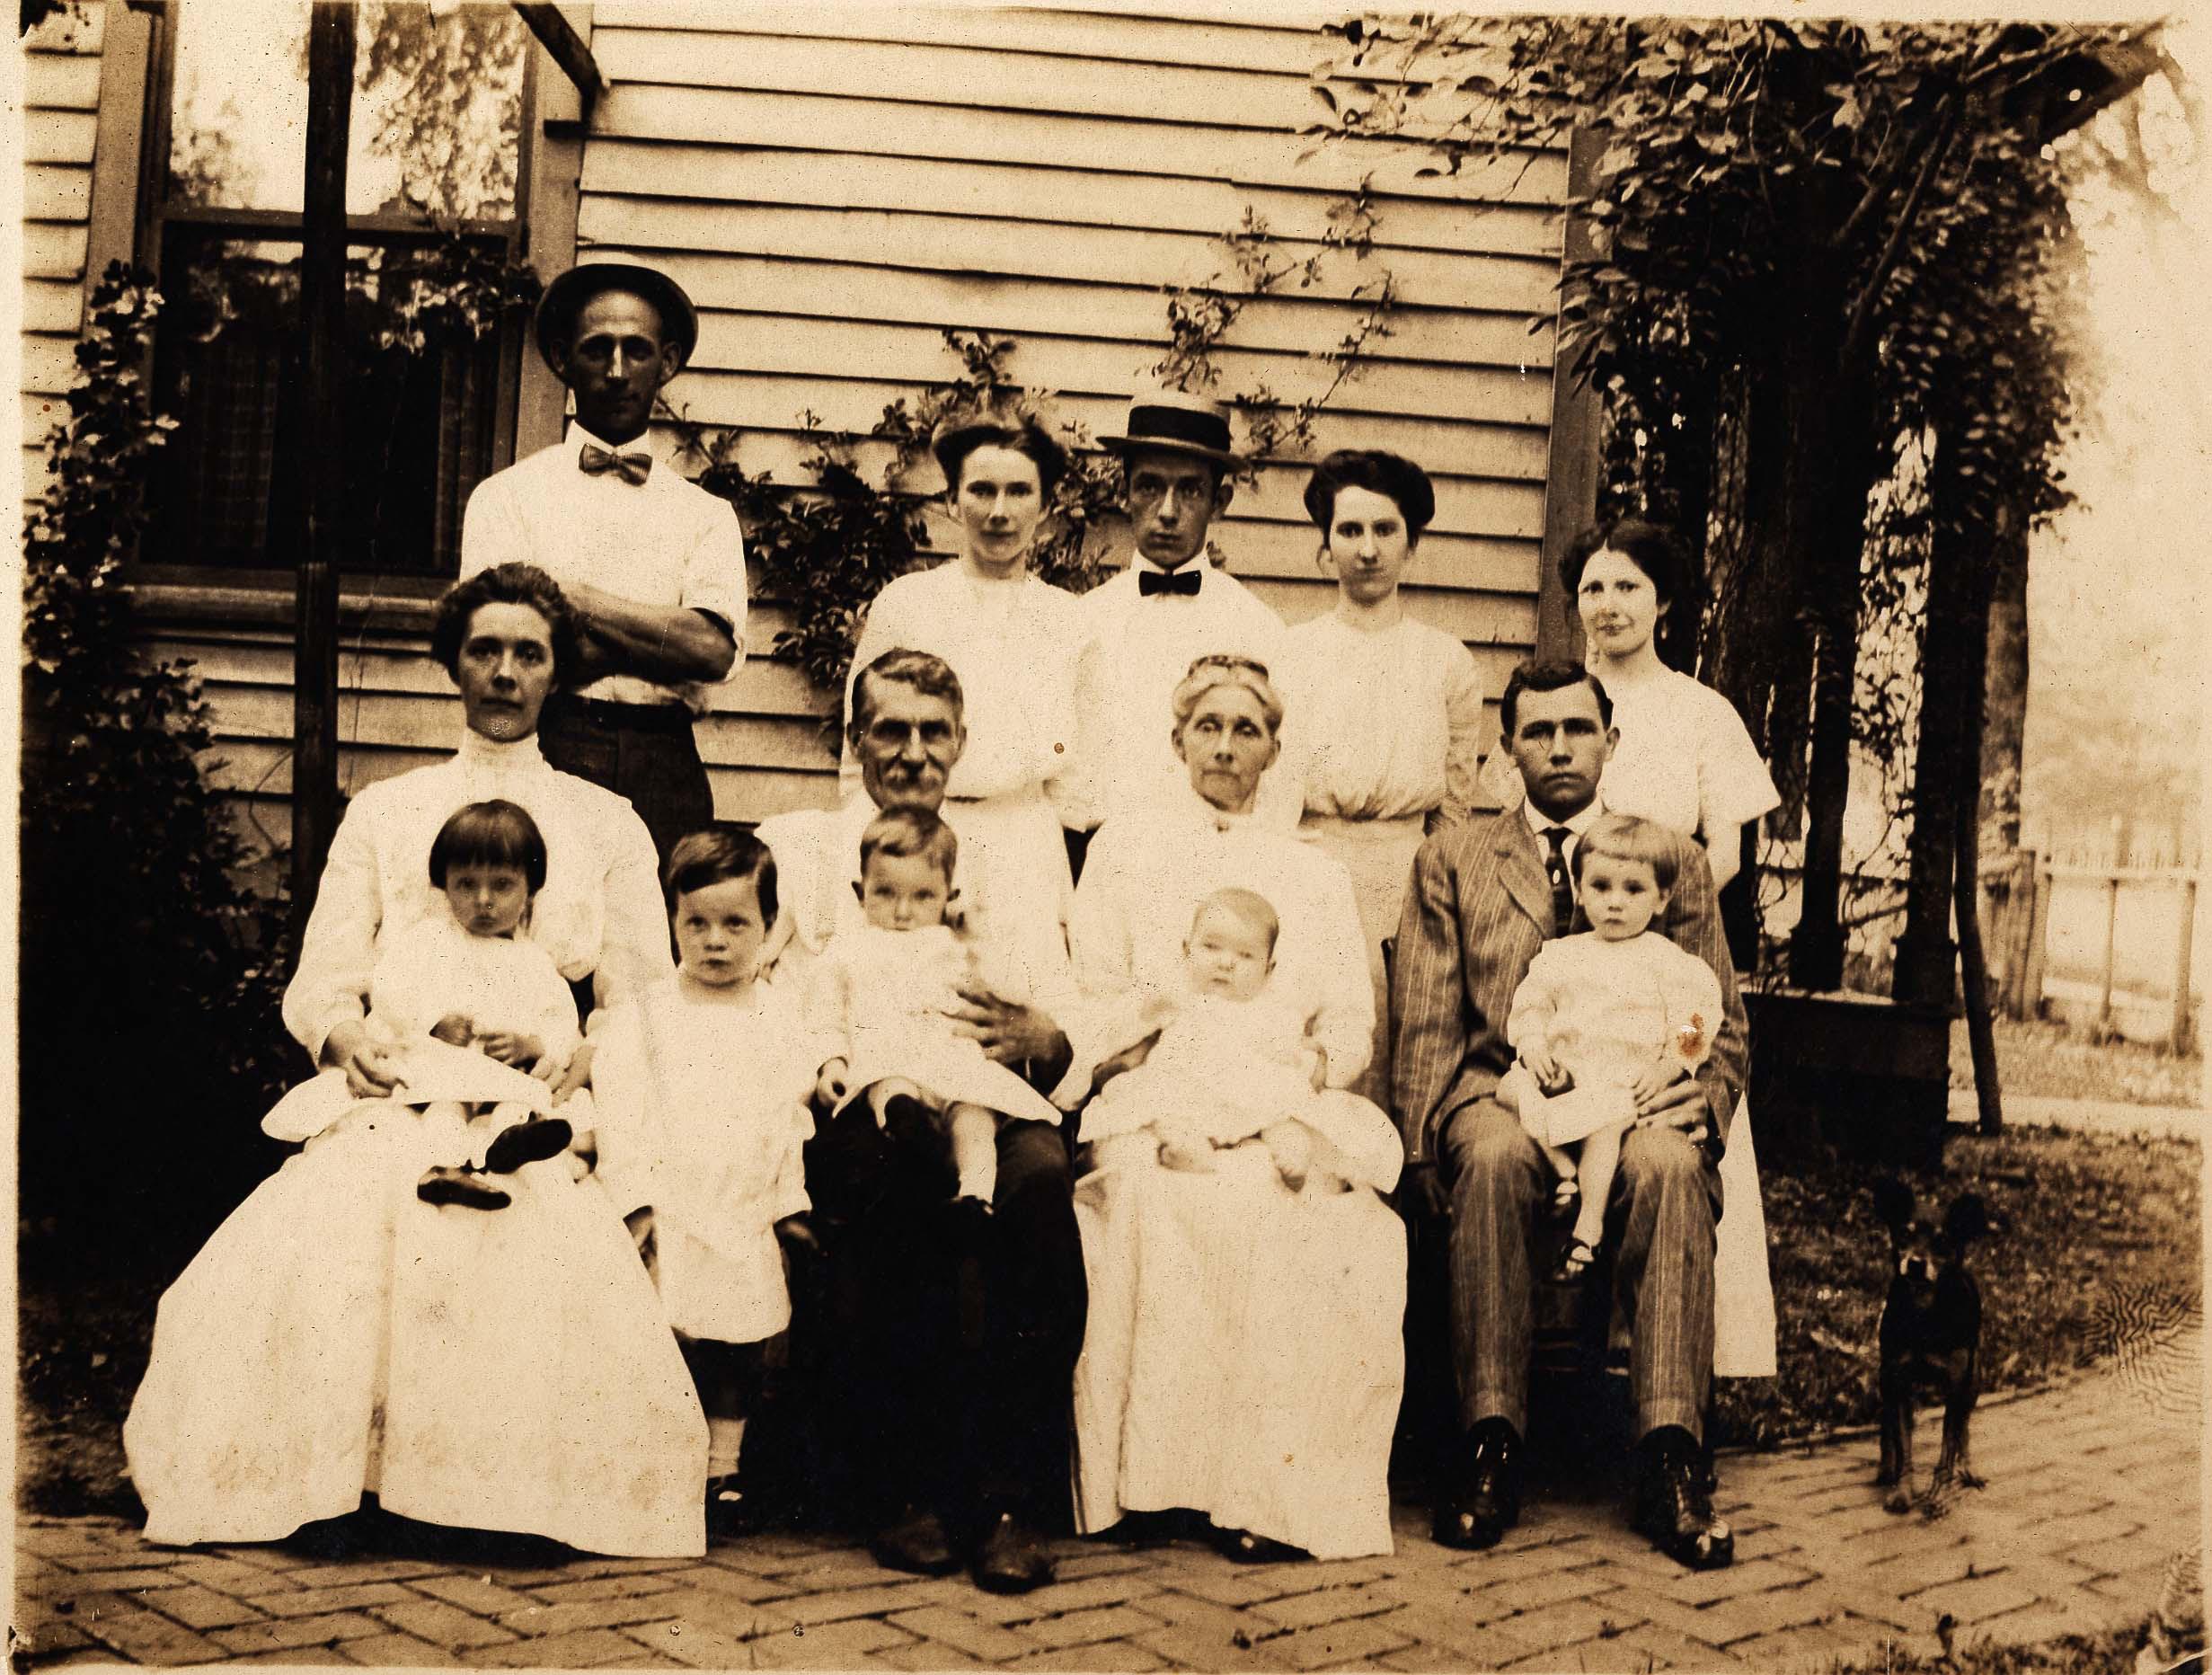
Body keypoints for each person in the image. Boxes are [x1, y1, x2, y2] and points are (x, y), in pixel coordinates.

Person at [124, 563, 704, 1558]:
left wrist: (577, 1066)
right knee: (349, 1206)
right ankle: (348, 1476)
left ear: (557, 672)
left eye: (529, 653)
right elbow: (323, 983)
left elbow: (637, 997)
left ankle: (501, 1492)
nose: (505, 673)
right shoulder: (388, 811)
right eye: (484, 650)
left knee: (530, 1221)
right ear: (451, 665)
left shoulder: (605, 822)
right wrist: (351, 1046)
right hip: (398, 1080)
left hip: (528, 1091)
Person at [1393, 659, 1747, 1572]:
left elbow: (1721, 1019)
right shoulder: (1453, 856)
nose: (1558, 747)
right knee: (1494, 1156)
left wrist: (1696, 1092)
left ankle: (1669, 1451)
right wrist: (1417, 1147)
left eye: (1576, 729)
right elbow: (1430, 1015)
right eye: (1536, 732)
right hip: (1500, 1087)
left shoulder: (1672, 858)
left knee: (1668, 1167)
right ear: (1506, 748)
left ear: (1609, 741)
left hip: (1634, 1096)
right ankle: (1488, 1439)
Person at [758, 649, 1084, 1594]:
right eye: (889, 729)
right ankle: (905, 1486)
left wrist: (1044, 1034)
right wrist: (820, 1073)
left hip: (985, 1087)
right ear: (853, 738)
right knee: (894, 1178)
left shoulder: (1016, 859)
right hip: (856, 1098)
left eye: (931, 731)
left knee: (1033, 1185)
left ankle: (1006, 1496)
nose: (910, 752)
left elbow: (1058, 1009)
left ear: (960, 743)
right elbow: (769, 993)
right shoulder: (808, 849)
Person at [1069, 655, 1403, 1564]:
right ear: (1176, 738)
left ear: (1272, 748)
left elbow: (1346, 1020)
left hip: (1272, 1094)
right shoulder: (1122, 845)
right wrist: (1143, 1059)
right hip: (1156, 1091)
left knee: (1289, 1207)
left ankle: (1258, 1490)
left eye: (1245, 728)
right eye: (1206, 725)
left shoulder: (1310, 869)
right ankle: (1145, 1481)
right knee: (1146, 1192)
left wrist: (1299, 1073)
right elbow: (1092, 992)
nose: (1224, 744)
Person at [1560, 518, 1783, 1378]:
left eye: (1627, 587)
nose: (1608, 606)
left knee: (1668, 1115)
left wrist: (1654, 919)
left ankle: (1668, 1357)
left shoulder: (1701, 710)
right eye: (1592, 588)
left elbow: (1724, 849)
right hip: (1575, 954)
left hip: (1675, 950)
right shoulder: (1561, 704)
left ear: (1664, 601)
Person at [460, 261, 745, 861]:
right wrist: (660, 642)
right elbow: (499, 647)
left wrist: (569, 598)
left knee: (662, 941)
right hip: (547, 743)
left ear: (666, 363)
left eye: (636, 351)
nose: (617, 371)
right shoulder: (505, 498)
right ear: (563, 359)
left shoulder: (705, 514)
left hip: (664, 760)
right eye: (598, 350)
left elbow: (714, 651)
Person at [590, 827, 815, 1532]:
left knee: (739, 1343)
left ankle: (726, 1465)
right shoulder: (648, 1014)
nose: (715, 940)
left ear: (769, 928)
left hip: (741, 1205)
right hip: (676, 1203)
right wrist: (638, 1207)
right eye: (697, 923)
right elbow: (623, 1111)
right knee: (671, 1336)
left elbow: (787, 1120)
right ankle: (667, 1460)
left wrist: (787, 1207)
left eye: (735, 923)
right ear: (674, 922)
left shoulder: (780, 1018)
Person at [840, 405, 1084, 986]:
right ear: (953, 501)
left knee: (1019, 1003)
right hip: (916, 840)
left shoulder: (1070, 619)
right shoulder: (907, 603)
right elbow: (858, 758)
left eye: (1019, 491)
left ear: (1046, 506)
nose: (1000, 512)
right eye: (981, 490)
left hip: (1026, 842)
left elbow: (1082, 781)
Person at [254, 799, 584, 1210]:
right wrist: (432, 1023)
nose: (484, 900)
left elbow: (561, 1020)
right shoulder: (428, 942)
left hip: (500, 1075)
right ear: (444, 884)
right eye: (466, 884)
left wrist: (533, 1045)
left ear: (529, 889)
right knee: (448, 1101)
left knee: (518, 1100)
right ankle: (444, 1167)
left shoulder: (534, 961)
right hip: (440, 1064)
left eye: (501, 885)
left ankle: (505, 1147)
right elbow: (391, 989)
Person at [1281, 448, 1485, 1102]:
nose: (1367, 550)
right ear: (1324, 548)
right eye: (1349, 531)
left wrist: (1438, 893)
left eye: (1385, 530)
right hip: (1312, 865)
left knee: (1405, 1043)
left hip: (1407, 875)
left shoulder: (1445, 662)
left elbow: (1454, 802)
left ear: (1412, 545)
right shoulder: (1291, 653)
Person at [1501, 813, 1725, 1281]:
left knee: (1604, 1126)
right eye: (1601, 887)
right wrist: (1535, 1044)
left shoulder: (1670, 964)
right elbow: (1532, 1003)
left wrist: (1672, 1064)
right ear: (1579, 891)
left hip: (1620, 1082)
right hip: (1563, 1078)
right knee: (1508, 1088)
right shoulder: (1563, 955)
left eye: (1633, 890)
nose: (1615, 904)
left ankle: (1588, 1227)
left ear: (1662, 898)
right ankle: (1561, 1168)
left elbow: (1695, 1019)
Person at [1065, 388, 1295, 839]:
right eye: (1150, 486)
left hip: (1218, 861)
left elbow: (1284, 780)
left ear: (1220, 501)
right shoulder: (1084, 621)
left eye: (1190, 490)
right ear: (1125, 492)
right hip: (1106, 862)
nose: (1167, 512)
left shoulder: (1257, 628)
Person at [812, 809, 1065, 1207]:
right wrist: (832, 1064)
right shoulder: (847, 948)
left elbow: (1012, 991)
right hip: (887, 1058)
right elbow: (826, 1016)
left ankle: (974, 1197)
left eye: (923, 896)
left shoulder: (957, 946)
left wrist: (977, 939)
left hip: (953, 1064)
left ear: (949, 897)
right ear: (861, 892)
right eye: (884, 893)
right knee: (888, 1088)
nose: (902, 912)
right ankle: (907, 1129)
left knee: (975, 1117)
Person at [1083, 887, 1389, 1196]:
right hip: (1186, 1087)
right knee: (1158, 1112)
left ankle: (1292, 1150)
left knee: (1285, 1114)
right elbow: (1132, 1023)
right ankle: (1186, 1148)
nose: (1226, 962)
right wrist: (1145, 1012)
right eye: (1211, 947)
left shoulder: (1272, 1012)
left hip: (1250, 1092)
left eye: (1245, 955)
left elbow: (1292, 1053)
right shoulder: (1179, 998)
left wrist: (1308, 1060)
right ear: (1186, 949)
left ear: (1268, 970)